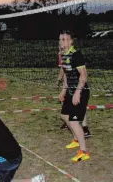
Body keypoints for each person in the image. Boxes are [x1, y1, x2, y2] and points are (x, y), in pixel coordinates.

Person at [58, 30, 90, 162]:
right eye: (60, 39)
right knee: (64, 116)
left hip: (81, 91)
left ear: (71, 41)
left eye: (65, 39)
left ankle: (84, 152)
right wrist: (63, 91)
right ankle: (76, 139)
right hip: (70, 90)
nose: (61, 42)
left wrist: (77, 93)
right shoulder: (64, 55)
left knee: (73, 121)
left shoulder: (76, 55)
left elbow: (83, 75)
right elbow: (66, 75)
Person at [56, 41, 91, 138]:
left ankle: (84, 129)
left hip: (76, 85)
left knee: (77, 105)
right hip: (71, 84)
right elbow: (64, 70)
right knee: (67, 103)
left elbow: (64, 71)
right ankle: (71, 122)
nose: (60, 47)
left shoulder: (73, 55)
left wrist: (59, 80)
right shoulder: (62, 54)